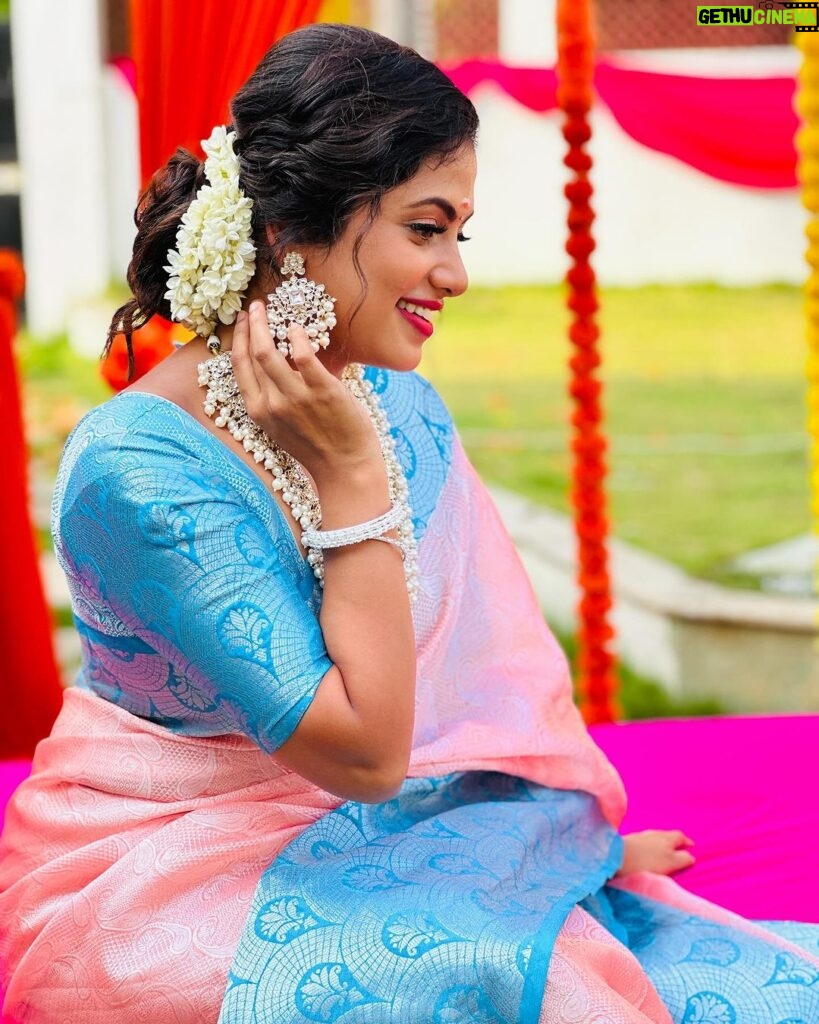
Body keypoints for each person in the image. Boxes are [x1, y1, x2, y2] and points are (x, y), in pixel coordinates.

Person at [1, 22, 817, 1024]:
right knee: (508, 979)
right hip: (168, 870)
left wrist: (554, 852)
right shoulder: (139, 469)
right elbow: (366, 752)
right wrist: (348, 482)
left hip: (377, 821)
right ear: (289, 231)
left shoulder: (394, 402)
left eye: (457, 235)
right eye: (426, 229)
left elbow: (484, 681)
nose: (456, 274)